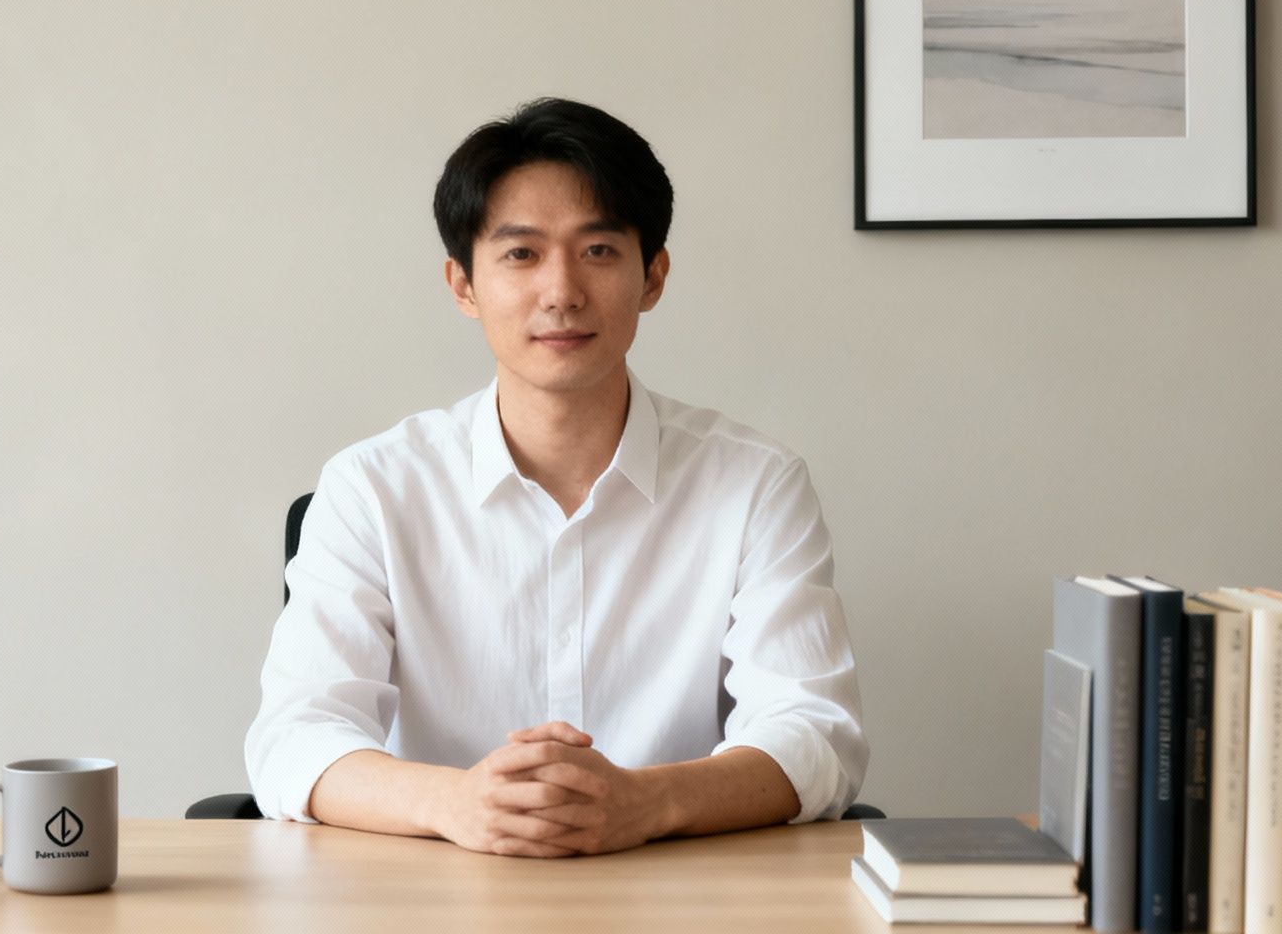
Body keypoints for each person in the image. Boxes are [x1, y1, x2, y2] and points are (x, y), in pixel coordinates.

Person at [244, 98, 867, 857]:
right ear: (463, 285)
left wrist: (647, 801)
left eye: (599, 250)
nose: (562, 290)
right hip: (434, 897)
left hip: (673, 895)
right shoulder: (372, 488)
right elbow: (294, 739)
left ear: (653, 276)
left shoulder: (755, 485)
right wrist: (458, 802)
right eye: (521, 254)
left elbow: (815, 736)